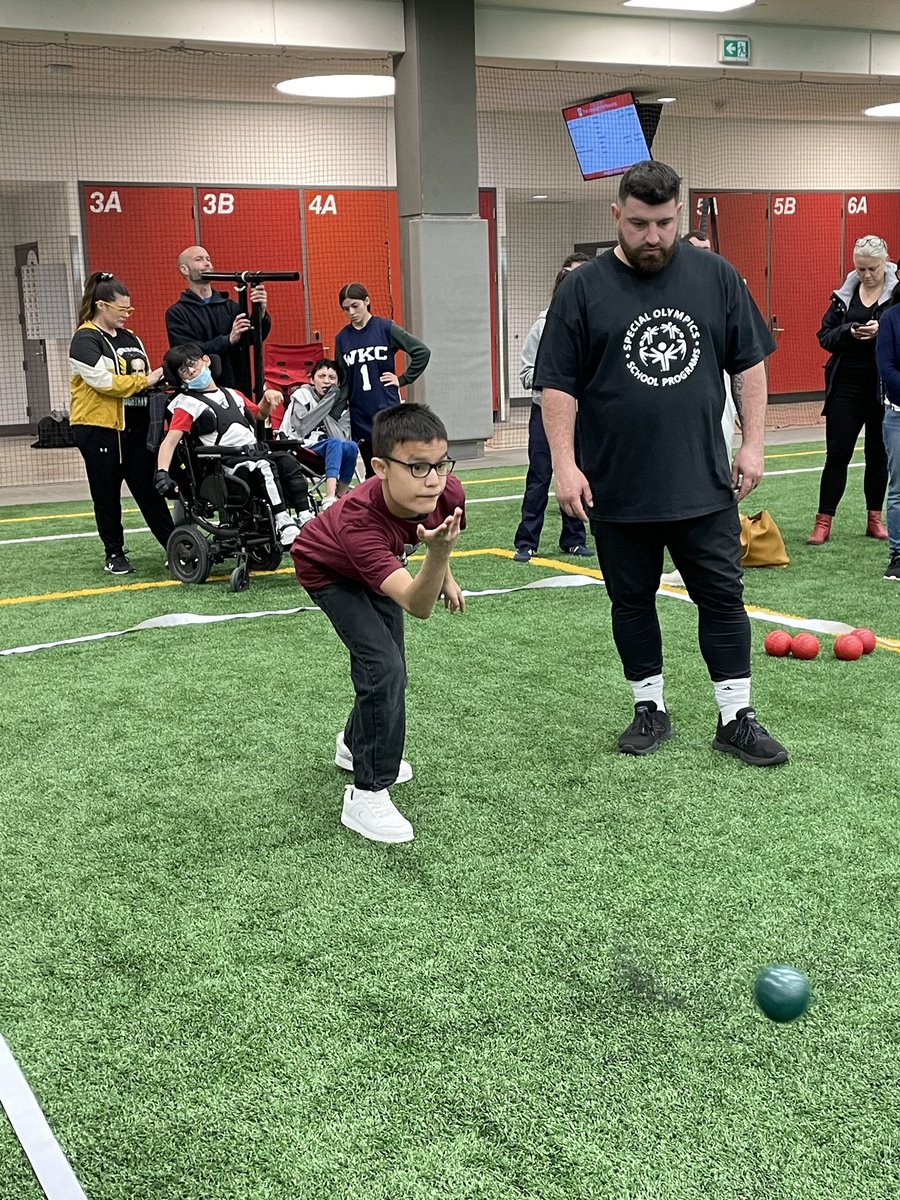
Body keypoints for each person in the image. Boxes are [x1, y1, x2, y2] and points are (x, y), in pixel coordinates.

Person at [534, 159, 788, 767]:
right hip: (616, 485)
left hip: (703, 481)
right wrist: (565, 467)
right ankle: (649, 707)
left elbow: (748, 366)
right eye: (641, 224)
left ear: (682, 214)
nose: (654, 237)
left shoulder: (716, 276)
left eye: (666, 223)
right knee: (632, 601)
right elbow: (558, 388)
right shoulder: (582, 289)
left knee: (723, 600)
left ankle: (736, 716)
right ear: (616, 214)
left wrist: (752, 445)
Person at [291, 403, 465, 844]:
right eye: (417, 466)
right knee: (383, 669)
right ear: (381, 468)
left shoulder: (447, 490)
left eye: (440, 464)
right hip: (327, 570)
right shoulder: (358, 519)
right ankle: (367, 793)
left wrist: (446, 573)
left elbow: (436, 531)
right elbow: (415, 603)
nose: (433, 479)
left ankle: (353, 744)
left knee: (392, 670)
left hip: (382, 569)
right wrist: (439, 559)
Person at [69, 270, 174, 575]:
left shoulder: (131, 338)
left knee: (149, 491)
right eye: (121, 309)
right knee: (106, 494)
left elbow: (142, 377)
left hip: (136, 428)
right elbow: (104, 382)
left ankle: (174, 545)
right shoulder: (85, 338)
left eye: (129, 309)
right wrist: (145, 380)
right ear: (102, 305)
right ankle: (114, 553)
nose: (127, 314)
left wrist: (154, 382)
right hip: (99, 429)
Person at [155, 343, 310, 549]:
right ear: (180, 378)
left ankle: (306, 517)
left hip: (255, 454)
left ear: (206, 360)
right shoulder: (187, 403)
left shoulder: (233, 394)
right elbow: (171, 441)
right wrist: (162, 472)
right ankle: (283, 522)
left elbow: (259, 414)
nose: (191, 370)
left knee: (287, 462)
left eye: (192, 363)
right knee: (264, 467)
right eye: (183, 370)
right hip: (228, 465)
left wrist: (267, 397)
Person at [807, 234, 896, 545]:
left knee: (878, 455)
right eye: (860, 269)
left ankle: (875, 519)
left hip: (883, 386)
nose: (866, 275)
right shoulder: (844, 295)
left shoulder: (897, 295)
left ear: (885, 263)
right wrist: (849, 331)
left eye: (872, 269)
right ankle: (823, 522)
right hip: (846, 385)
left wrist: (883, 329)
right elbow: (824, 335)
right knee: (838, 454)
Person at [512, 252, 594, 563]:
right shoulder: (544, 324)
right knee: (540, 475)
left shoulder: (595, 323)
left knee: (579, 473)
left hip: (582, 415)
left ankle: (574, 538)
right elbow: (526, 373)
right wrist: (555, 382)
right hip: (545, 415)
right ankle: (526, 541)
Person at [334, 282, 431, 477]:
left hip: (386, 408)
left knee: (395, 465)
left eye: (355, 306)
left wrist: (402, 379)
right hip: (359, 413)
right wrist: (334, 413)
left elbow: (421, 352)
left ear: (367, 301)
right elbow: (343, 380)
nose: (351, 312)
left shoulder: (385, 328)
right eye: (346, 309)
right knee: (373, 471)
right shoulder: (342, 338)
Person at [165, 245, 274, 397]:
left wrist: (260, 312)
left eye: (208, 259)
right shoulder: (177, 313)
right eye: (199, 259)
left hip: (237, 387)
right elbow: (187, 353)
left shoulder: (229, 306)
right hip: (200, 392)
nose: (207, 263)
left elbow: (250, 338)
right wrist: (227, 340)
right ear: (185, 269)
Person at [275, 358, 359, 508]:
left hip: (329, 452)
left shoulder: (343, 408)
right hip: (299, 447)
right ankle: (329, 497)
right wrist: (328, 400)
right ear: (312, 379)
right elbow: (302, 427)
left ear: (338, 384)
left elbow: (341, 439)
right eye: (321, 376)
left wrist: (331, 403)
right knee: (334, 444)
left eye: (332, 378)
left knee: (351, 446)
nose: (326, 381)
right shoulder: (302, 395)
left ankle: (340, 497)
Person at [874, 281, 900, 581]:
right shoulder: (891, 318)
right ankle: (897, 554)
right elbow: (887, 368)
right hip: (897, 414)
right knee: (898, 489)